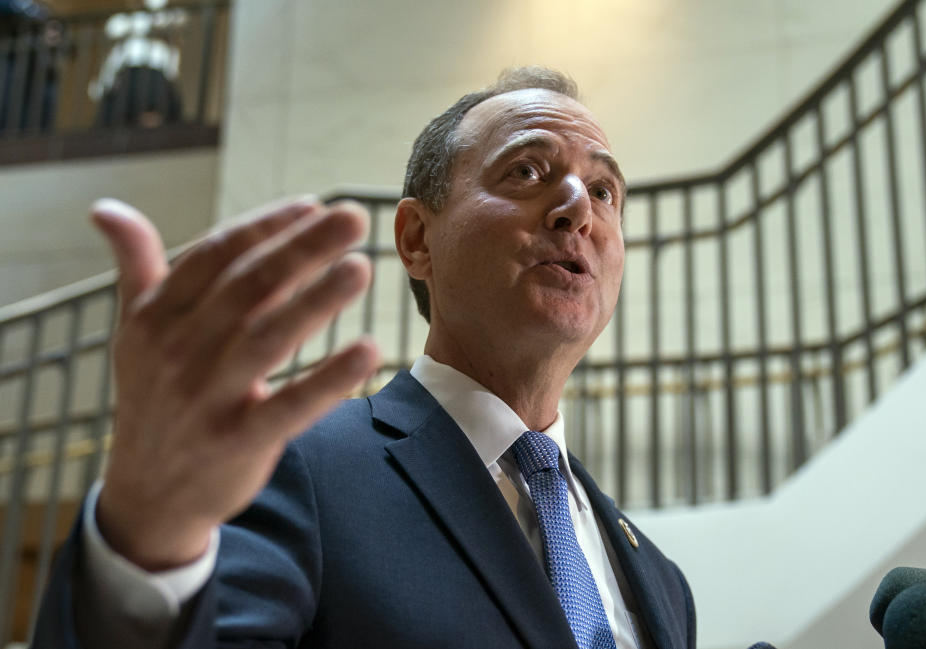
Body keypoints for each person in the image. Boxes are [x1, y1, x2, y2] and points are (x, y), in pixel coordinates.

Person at [32, 67, 695, 649]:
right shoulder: (295, 465)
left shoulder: (662, 580)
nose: (578, 209)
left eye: (605, 191)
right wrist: (147, 545)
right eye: (527, 170)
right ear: (415, 239)